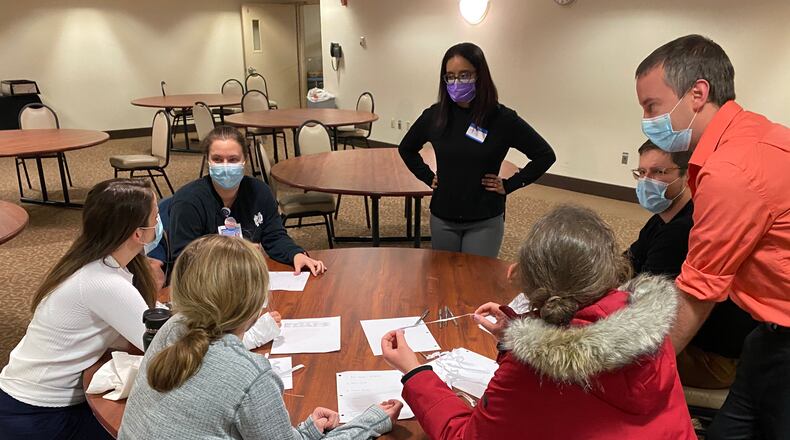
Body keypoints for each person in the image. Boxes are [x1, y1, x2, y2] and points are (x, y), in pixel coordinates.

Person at [381, 205, 695, 439]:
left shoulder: (539, 367)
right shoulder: (642, 323)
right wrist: (513, 335)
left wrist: (415, 370)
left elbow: (465, 436)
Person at [635, 34, 790, 438]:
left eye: (652, 106)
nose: (648, 120)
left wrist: (639, 378)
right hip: (766, 333)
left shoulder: (731, 170)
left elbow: (697, 293)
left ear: (698, 93)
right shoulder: (752, 133)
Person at [119, 235, 402, 439]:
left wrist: (304, 433)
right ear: (254, 304)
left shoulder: (171, 327)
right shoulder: (250, 375)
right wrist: (369, 423)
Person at [0, 179, 160, 439]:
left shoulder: (95, 262)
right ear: (138, 233)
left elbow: (145, 318)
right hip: (36, 413)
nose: (159, 222)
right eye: (156, 216)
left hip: (34, 396)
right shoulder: (104, 283)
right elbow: (161, 344)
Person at [398, 42, 555, 258]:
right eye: (450, 76)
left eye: (464, 75)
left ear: (480, 75)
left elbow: (545, 155)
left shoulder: (502, 119)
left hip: (484, 219)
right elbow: (406, 148)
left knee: (476, 285)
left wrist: (510, 184)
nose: (456, 82)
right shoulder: (436, 116)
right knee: (444, 280)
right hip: (443, 216)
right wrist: (426, 176)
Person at [627, 140, 756, 389]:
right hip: (703, 344)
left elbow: (641, 298)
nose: (646, 181)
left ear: (686, 175)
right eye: (641, 173)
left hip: (713, 361)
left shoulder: (685, 230)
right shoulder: (665, 218)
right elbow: (627, 261)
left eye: (659, 172)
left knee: (604, 361)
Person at [168, 125, 326, 275]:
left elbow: (275, 236)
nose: (225, 166)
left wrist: (295, 254)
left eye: (233, 160)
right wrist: (236, 252)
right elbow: (183, 259)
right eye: (217, 159)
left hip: (247, 277)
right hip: (204, 281)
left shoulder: (260, 192)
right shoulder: (188, 201)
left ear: (245, 161)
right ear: (208, 161)